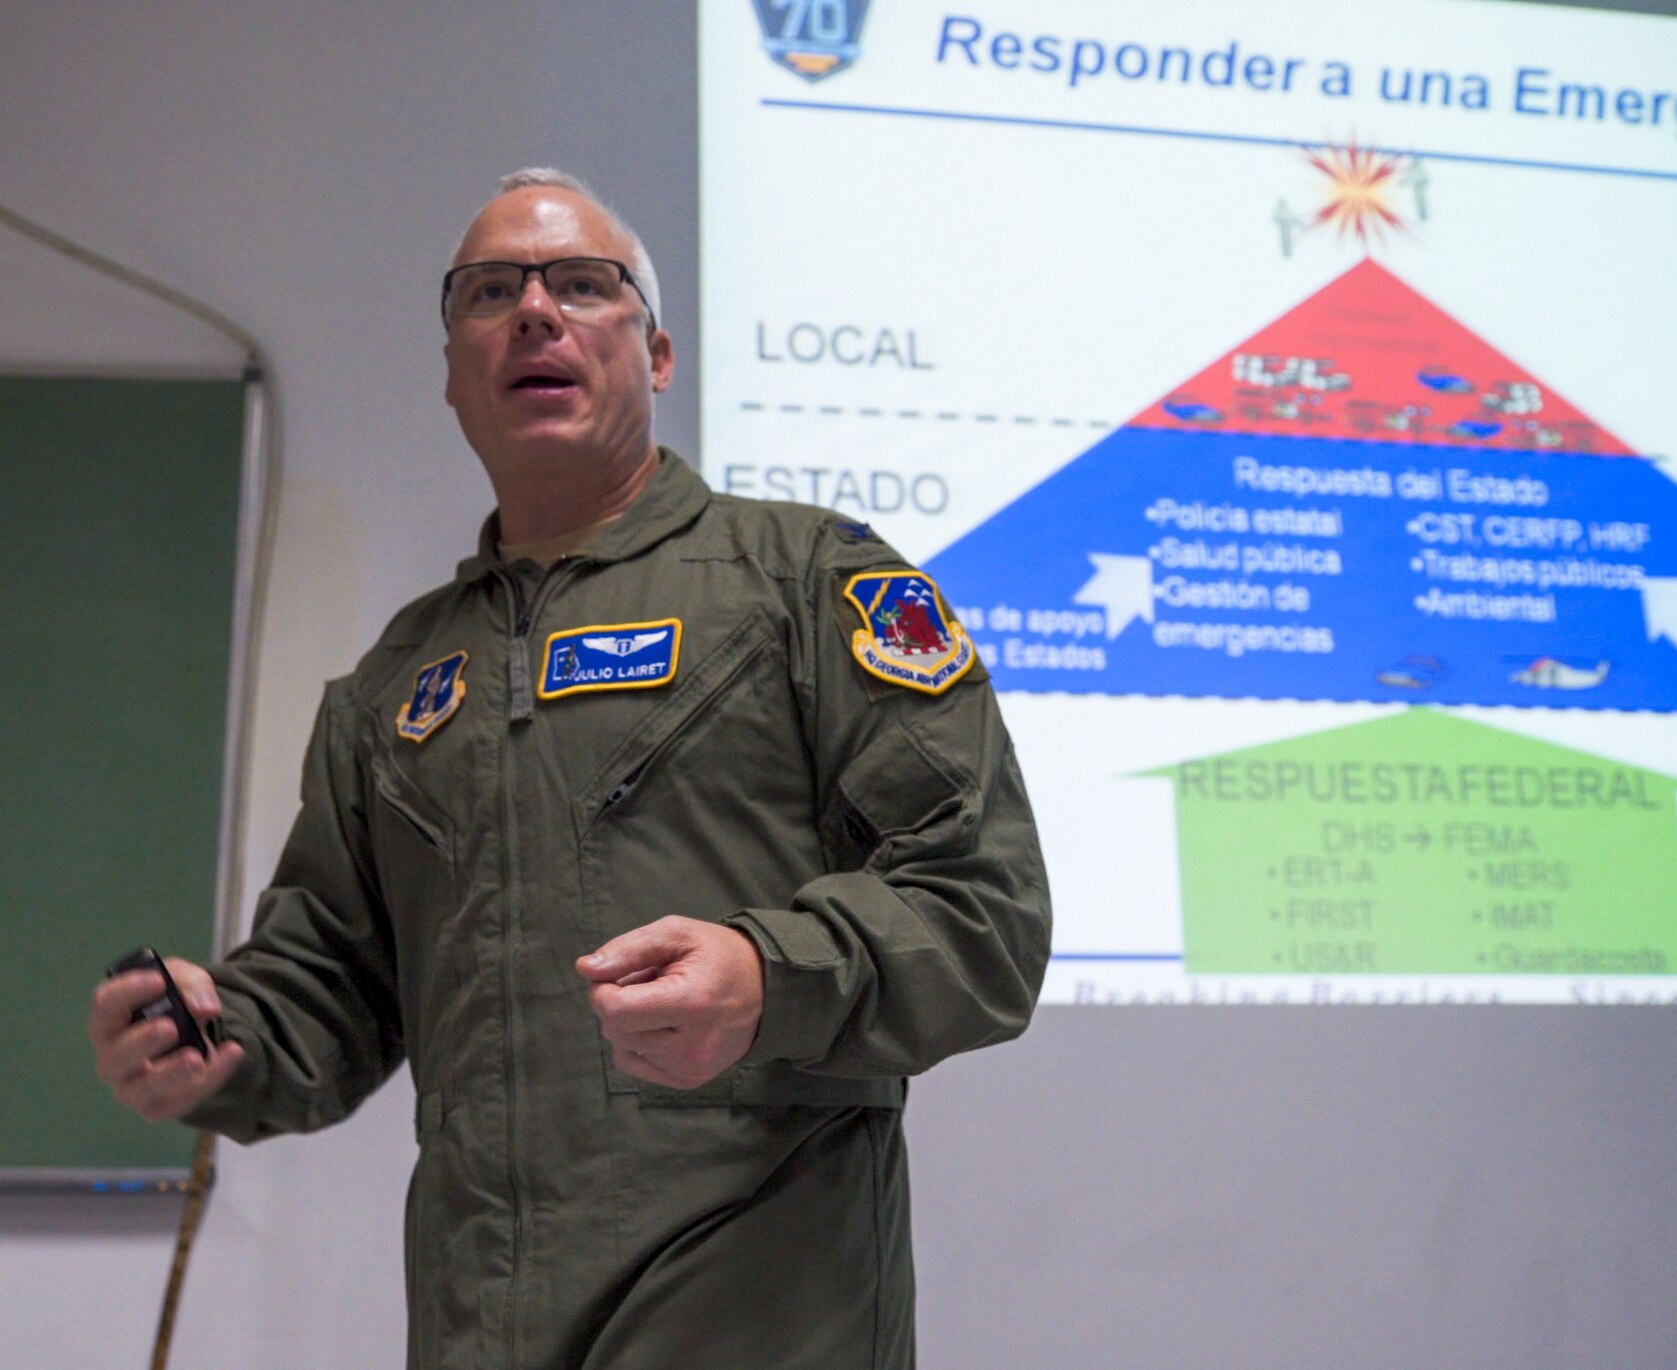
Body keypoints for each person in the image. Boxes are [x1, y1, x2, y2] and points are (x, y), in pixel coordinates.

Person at [87, 168, 1051, 1369]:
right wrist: (223, 1037)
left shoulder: (810, 582)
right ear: (451, 371)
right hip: (477, 1322)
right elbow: (327, 990)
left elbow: (984, 912)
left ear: (654, 354)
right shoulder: (390, 686)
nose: (534, 311)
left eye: (580, 285)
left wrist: (766, 973)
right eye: (490, 291)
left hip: (757, 1319)